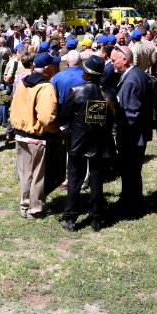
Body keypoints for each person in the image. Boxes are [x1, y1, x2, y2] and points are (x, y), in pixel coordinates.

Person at [58, 55, 115, 232]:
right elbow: (114, 117)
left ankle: (70, 217)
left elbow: (64, 116)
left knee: (74, 181)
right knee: (97, 181)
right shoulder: (109, 94)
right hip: (101, 143)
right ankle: (96, 218)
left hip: (78, 143)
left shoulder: (76, 91)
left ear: (86, 73)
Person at [9, 51, 60, 220]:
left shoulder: (23, 82)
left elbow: (14, 107)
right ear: (47, 68)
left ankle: (24, 205)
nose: (55, 67)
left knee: (25, 173)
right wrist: (56, 130)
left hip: (20, 135)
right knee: (38, 175)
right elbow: (46, 118)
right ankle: (35, 209)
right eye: (53, 65)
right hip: (37, 137)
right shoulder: (46, 87)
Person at [110, 45, 155, 217]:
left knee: (130, 171)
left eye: (114, 60)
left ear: (125, 60)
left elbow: (131, 113)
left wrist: (121, 132)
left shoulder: (131, 80)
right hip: (136, 135)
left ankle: (131, 207)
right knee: (132, 171)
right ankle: (129, 200)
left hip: (132, 136)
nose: (112, 63)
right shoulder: (136, 73)